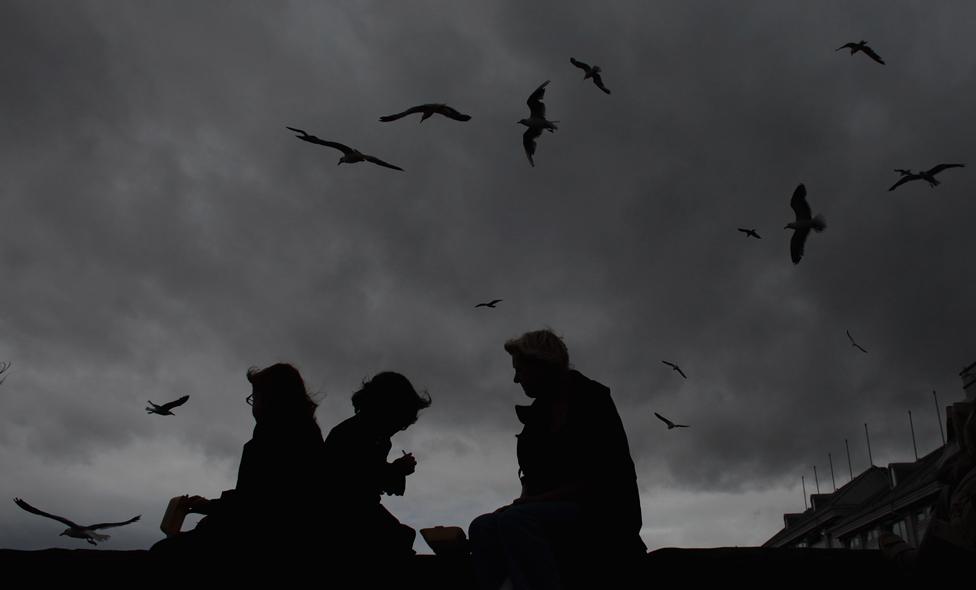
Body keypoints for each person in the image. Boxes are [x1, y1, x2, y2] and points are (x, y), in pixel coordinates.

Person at [469, 329, 646, 590]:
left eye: (520, 369)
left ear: (541, 365)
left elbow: (602, 478)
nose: (516, 379)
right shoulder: (537, 416)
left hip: (602, 513)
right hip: (552, 509)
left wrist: (529, 505)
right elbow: (531, 479)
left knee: (516, 520)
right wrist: (521, 502)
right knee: (482, 526)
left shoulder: (592, 400)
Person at [151, 363, 324, 560]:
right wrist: (210, 506)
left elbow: (257, 509)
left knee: (161, 552)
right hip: (286, 540)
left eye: (254, 396)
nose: (253, 404)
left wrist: (211, 514)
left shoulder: (272, 436)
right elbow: (261, 496)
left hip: (261, 544)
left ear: (269, 397)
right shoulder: (305, 431)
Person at [320, 371, 431, 568]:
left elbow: (372, 478)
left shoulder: (373, 436)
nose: (400, 428)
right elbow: (356, 483)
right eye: (400, 421)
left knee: (401, 537)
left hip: (356, 513)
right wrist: (397, 470)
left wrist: (396, 471)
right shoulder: (353, 434)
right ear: (387, 408)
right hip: (343, 519)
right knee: (399, 539)